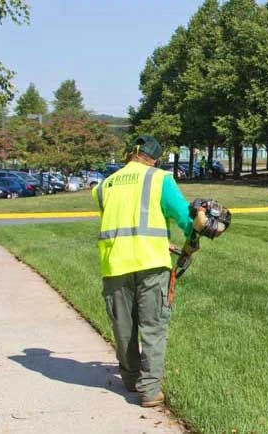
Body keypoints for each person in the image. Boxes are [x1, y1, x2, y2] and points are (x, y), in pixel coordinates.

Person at [92, 135, 197, 408]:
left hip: (115, 265)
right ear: (154, 159)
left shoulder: (105, 186)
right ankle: (149, 391)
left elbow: (123, 219)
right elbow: (186, 219)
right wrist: (193, 235)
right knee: (152, 328)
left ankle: (130, 379)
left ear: (130, 154)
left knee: (124, 328)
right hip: (151, 263)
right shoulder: (159, 179)